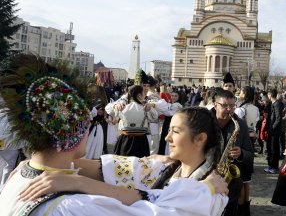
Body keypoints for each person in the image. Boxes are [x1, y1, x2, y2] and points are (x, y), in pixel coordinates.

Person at [0, 54, 228, 216]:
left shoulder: (22, 176)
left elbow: (115, 167)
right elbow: (157, 211)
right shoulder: (75, 207)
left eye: (175, 131)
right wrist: (206, 189)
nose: (167, 139)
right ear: (75, 134)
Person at [211, 89, 254, 216]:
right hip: (208, 179)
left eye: (232, 106)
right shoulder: (205, 122)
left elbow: (250, 154)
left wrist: (241, 153)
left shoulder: (240, 124)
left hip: (232, 185)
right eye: (225, 105)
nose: (229, 109)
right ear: (215, 105)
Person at [110, 85, 158, 158]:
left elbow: (108, 109)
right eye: (144, 93)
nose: (145, 95)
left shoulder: (122, 107)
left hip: (125, 139)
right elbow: (155, 117)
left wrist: (115, 105)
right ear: (139, 95)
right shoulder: (145, 108)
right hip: (141, 140)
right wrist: (150, 107)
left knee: (124, 163)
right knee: (140, 164)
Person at [234, 86, 259, 216]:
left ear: (245, 95)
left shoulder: (240, 109)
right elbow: (255, 123)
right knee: (247, 180)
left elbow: (238, 127)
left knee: (241, 180)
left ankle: (241, 209)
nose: (239, 93)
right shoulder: (255, 108)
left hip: (242, 141)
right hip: (252, 140)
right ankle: (246, 208)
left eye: (242, 92)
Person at [264, 89, 283, 174]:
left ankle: (274, 167)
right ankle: (270, 165)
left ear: (270, 95)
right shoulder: (272, 104)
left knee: (274, 148)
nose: (267, 96)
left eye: (268, 94)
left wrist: (272, 128)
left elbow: (278, 119)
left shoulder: (277, 104)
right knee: (270, 148)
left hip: (275, 131)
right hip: (270, 130)